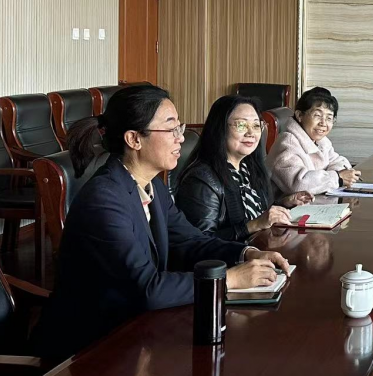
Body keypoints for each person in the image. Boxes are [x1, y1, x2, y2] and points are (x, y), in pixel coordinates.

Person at [31, 85, 291, 360]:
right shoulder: (104, 200)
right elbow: (147, 289)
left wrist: (246, 253)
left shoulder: (152, 185)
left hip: (137, 332)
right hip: (89, 350)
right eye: (171, 129)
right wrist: (231, 278)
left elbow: (191, 241)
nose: (181, 138)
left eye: (180, 127)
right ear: (134, 139)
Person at [175, 95, 312, 241]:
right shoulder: (201, 179)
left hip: (258, 248)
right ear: (220, 128)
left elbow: (257, 213)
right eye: (241, 125)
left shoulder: (248, 166)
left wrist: (284, 203)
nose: (251, 133)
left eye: (256, 125)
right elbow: (200, 242)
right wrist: (253, 225)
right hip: (235, 255)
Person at [267, 86, 361, 196]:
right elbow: (298, 184)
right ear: (300, 115)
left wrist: (335, 175)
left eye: (329, 118)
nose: (323, 123)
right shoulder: (287, 143)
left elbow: (338, 161)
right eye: (317, 115)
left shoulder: (320, 141)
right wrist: (337, 177)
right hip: (283, 205)